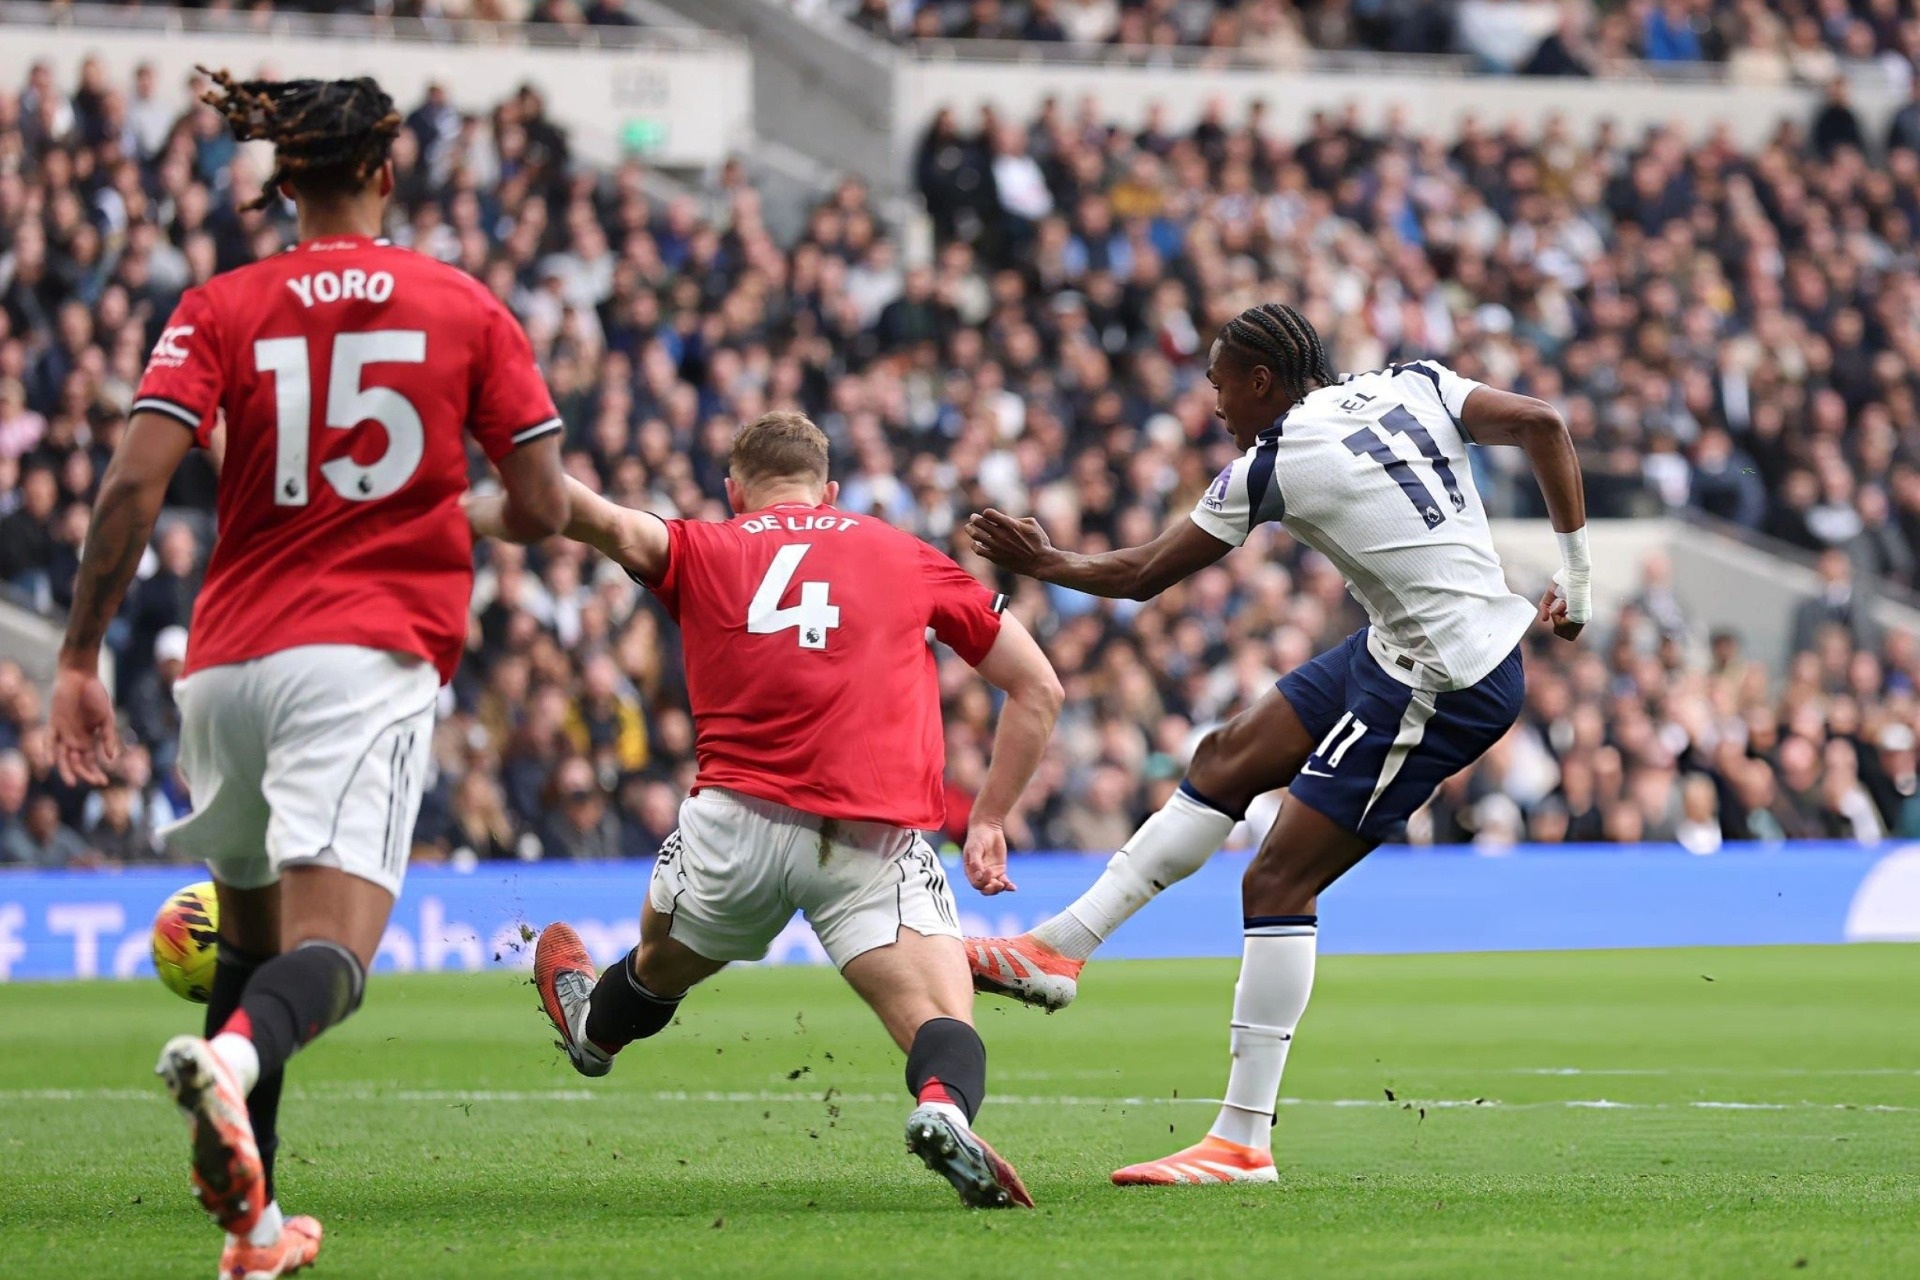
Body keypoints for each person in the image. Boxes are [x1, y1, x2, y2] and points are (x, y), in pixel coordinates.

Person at [49, 70, 567, 1279]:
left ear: (284, 183)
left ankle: (256, 1229)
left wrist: (79, 653)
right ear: (387, 171)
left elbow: (132, 486)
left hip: (223, 663)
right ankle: (224, 1069)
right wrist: (441, 504)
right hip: (364, 655)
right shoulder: (464, 305)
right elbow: (541, 506)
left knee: (249, 941)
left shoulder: (219, 303)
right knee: (335, 957)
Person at [964, 301, 1588, 1185]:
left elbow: (1144, 575)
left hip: (1442, 680)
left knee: (1277, 876)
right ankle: (1058, 947)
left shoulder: (1276, 460)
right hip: (1399, 641)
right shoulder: (1413, 380)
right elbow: (1543, 422)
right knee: (1224, 759)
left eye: (1221, 385)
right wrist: (1577, 575)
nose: (1215, 405)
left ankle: (1242, 1140)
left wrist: (1047, 564)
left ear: (1263, 380)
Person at [467, 411, 1064, 1209]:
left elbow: (592, 515)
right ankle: (941, 1109)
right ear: (834, 490)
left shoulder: (703, 543)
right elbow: (1039, 689)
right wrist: (988, 818)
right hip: (869, 835)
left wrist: (493, 468)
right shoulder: (906, 554)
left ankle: (593, 1033)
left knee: (657, 967)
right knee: (937, 1013)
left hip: (734, 826)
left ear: (734, 489)